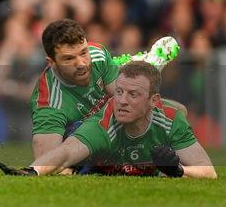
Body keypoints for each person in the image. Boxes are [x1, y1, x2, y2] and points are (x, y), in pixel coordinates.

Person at [0, 61, 217, 179]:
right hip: (93, 167)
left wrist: (178, 170)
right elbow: (65, 152)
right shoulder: (106, 122)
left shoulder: (171, 121)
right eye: (119, 91)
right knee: (75, 159)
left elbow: (208, 171)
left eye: (133, 95)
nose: (121, 101)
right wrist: (32, 171)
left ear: (154, 101)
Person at [29, 19, 180, 159]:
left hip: (113, 124)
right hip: (84, 147)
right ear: (52, 62)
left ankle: (164, 162)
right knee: (79, 129)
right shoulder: (48, 102)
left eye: (83, 52)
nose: (81, 63)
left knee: (178, 112)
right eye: (69, 58)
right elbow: (47, 162)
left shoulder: (97, 54)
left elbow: (123, 98)